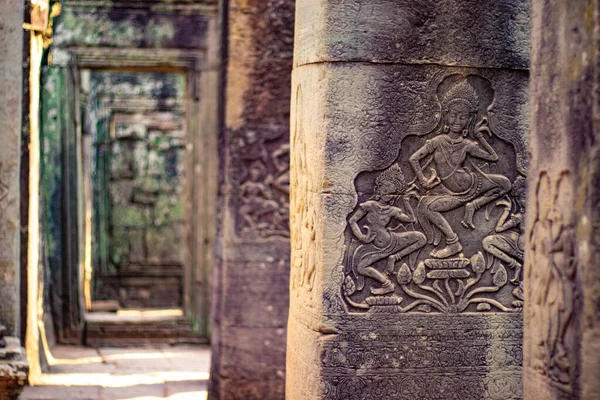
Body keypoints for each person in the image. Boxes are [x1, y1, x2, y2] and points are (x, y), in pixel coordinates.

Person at [409, 79, 511, 259]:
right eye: (454, 115)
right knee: (429, 209)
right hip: (453, 194)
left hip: (472, 185)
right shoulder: (437, 142)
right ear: (445, 115)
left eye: (463, 117)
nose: (457, 121)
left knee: (505, 184)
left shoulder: (467, 145)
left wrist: (479, 135)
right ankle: (453, 243)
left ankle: (474, 205)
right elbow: (414, 158)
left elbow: (493, 157)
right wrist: (423, 179)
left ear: (469, 120)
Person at [347, 165, 426, 296]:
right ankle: (387, 285)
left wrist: (406, 200)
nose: (386, 194)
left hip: (391, 242)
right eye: (384, 189)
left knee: (421, 238)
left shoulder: (392, 210)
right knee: (361, 267)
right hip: (375, 246)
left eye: (390, 193)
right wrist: (361, 237)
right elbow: (352, 221)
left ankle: (394, 258)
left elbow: (411, 219)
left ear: (394, 195)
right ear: (378, 188)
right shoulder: (369, 206)